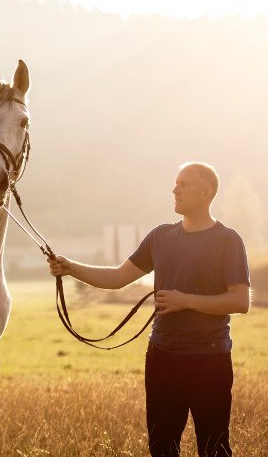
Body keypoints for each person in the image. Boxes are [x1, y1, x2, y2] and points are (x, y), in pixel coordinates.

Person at [48, 162, 251, 457]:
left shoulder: (228, 240)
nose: (175, 189)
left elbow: (240, 301)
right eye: (175, 183)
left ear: (206, 192)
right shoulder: (160, 237)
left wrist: (186, 300)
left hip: (210, 359)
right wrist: (70, 268)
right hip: (162, 357)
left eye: (184, 184)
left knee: (214, 447)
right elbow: (118, 277)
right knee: (161, 447)